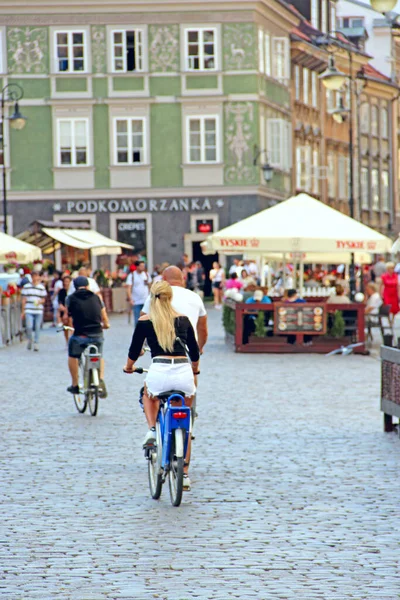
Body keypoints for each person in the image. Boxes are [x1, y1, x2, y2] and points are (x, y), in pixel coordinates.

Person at [124, 280, 200, 490]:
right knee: (186, 410)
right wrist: (195, 370)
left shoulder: (145, 322)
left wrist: (129, 367)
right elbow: (194, 352)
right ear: (170, 297)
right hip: (183, 372)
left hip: (159, 370)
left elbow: (133, 351)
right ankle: (183, 471)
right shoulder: (183, 320)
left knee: (148, 394)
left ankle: (151, 430)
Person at [142, 266, 208, 353]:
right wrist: (199, 348)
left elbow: (143, 320)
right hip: (188, 349)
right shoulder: (195, 297)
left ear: (164, 279)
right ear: (182, 279)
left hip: (161, 348)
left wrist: (141, 346)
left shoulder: (155, 296)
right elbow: (203, 328)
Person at [66, 276, 110, 397]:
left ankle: (75, 384)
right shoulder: (96, 297)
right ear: (88, 286)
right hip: (97, 333)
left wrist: (70, 328)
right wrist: (106, 325)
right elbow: (104, 317)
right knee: (99, 356)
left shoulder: (70, 298)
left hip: (80, 334)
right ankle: (100, 379)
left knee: (72, 355)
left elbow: (68, 318)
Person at [21, 271, 47, 352]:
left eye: (37, 276)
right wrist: (23, 311)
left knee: (37, 327)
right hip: (29, 309)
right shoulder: (26, 287)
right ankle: (30, 339)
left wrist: (40, 302)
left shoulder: (41, 287)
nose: (35, 278)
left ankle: (36, 342)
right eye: (34, 276)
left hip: (38, 310)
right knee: (29, 326)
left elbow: (43, 299)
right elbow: (24, 299)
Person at [126, 260, 151, 324]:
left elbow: (150, 286)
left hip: (146, 300)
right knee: (137, 319)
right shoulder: (132, 275)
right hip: (136, 301)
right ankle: (138, 333)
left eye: (143, 266)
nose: (143, 267)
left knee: (147, 319)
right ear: (137, 266)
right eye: (141, 266)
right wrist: (130, 299)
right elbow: (128, 288)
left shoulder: (146, 274)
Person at [57, 275, 72, 346]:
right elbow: (60, 302)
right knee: (65, 326)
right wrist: (64, 309)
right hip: (63, 311)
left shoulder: (73, 291)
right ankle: (67, 340)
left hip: (72, 311)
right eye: (65, 282)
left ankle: (72, 340)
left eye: (67, 282)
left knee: (71, 325)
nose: (66, 283)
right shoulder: (61, 292)